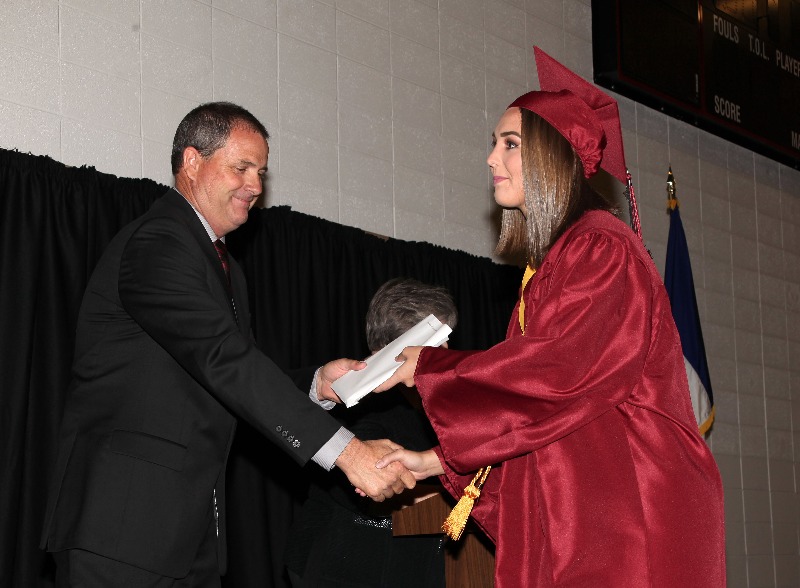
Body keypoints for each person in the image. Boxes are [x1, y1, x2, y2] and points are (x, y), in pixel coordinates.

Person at [373, 47, 727, 586]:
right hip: (585, 514)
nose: (492, 159)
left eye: (510, 144)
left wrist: (430, 367)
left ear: (555, 155)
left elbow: (559, 374)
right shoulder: (549, 267)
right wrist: (436, 463)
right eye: (493, 144)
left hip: (631, 515)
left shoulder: (603, 249)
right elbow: (537, 419)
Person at [40, 102, 415, 587]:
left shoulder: (224, 266)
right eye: (241, 167)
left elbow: (236, 371)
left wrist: (318, 383)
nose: (257, 186)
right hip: (123, 529)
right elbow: (222, 358)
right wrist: (347, 452)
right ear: (192, 162)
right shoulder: (159, 241)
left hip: (185, 534)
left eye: (261, 171)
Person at [285, 278, 456, 588]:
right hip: (343, 563)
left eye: (448, 340)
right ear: (394, 348)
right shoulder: (355, 397)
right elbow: (368, 486)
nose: (447, 352)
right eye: (437, 342)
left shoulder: (450, 404)